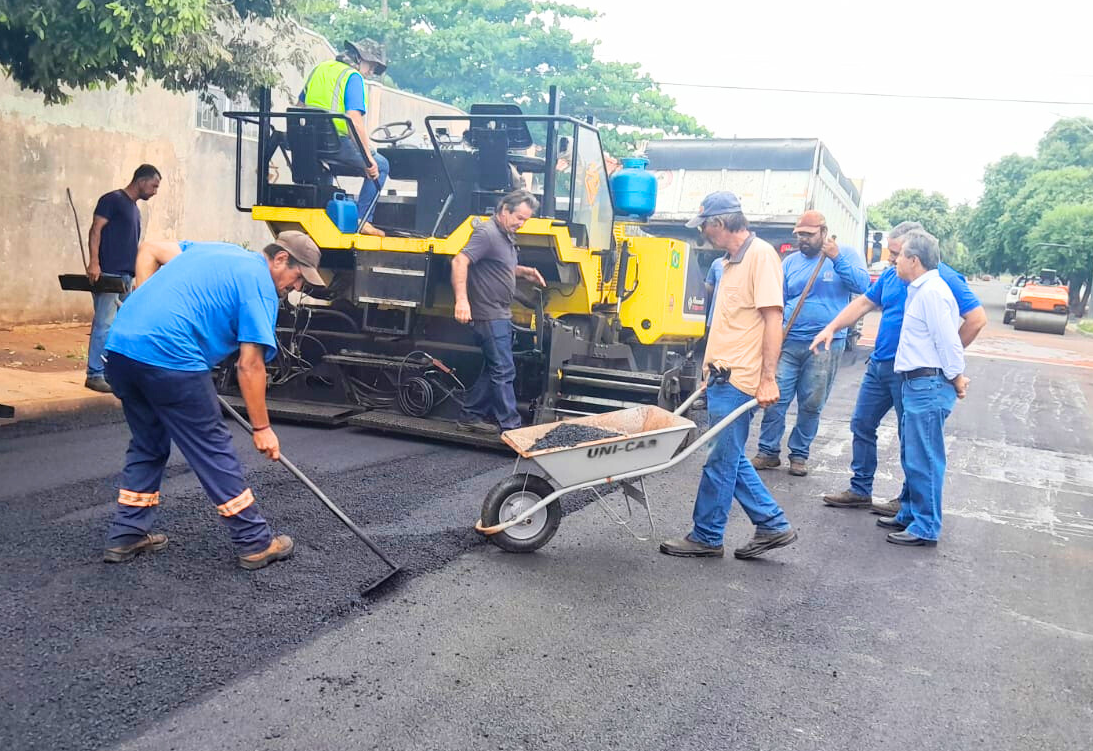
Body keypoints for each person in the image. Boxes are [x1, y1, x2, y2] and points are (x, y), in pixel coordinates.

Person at [101, 231, 326, 570]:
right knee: (211, 446)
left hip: (121, 348)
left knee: (149, 442)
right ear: (281, 259)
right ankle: (254, 542)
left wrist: (143, 299)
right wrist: (262, 427)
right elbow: (249, 366)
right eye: (297, 277)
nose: (296, 287)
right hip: (171, 357)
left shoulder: (219, 252)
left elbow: (149, 248)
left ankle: (127, 533)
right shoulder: (260, 288)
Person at [812, 221, 986, 515]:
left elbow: (977, 319)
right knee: (862, 424)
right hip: (879, 365)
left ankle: (907, 502)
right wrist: (832, 327)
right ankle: (860, 489)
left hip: (912, 373)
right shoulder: (893, 275)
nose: (891, 259)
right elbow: (865, 303)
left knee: (913, 439)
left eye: (896, 253)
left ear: (913, 252)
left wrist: (945, 364)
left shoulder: (941, 279)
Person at [660, 191, 797, 560]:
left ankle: (707, 535)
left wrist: (768, 379)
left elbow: (773, 320)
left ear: (720, 223)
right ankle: (771, 524)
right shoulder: (728, 262)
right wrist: (709, 369)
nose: (703, 233)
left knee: (722, 458)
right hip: (723, 375)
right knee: (728, 457)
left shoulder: (761, 257)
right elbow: (730, 324)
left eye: (705, 226)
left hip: (742, 378)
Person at [752, 210, 869, 476]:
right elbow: (777, 300)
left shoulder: (845, 254)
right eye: (799, 235)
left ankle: (799, 454)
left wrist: (836, 258)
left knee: (811, 402)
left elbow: (862, 287)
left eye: (808, 235)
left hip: (825, 345)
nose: (802, 240)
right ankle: (768, 451)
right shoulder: (790, 262)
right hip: (789, 340)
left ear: (823, 233)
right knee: (774, 398)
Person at [877, 230, 968, 546]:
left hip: (927, 384)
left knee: (925, 458)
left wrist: (956, 376)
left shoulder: (932, 292)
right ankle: (910, 512)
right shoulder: (920, 290)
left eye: (899, 255)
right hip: (915, 383)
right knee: (912, 454)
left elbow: (948, 341)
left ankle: (926, 525)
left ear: (914, 260)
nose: (894, 261)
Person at [451, 189, 546, 434]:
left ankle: (470, 416)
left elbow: (499, 266)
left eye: (526, 220)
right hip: (489, 313)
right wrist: (462, 301)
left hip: (500, 313)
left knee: (495, 367)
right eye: (520, 218)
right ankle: (511, 427)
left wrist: (524, 271)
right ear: (505, 210)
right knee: (504, 369)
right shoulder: (487, 233)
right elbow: (460, 261)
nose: (522, 224)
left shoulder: (503, 236)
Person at [299, 39, 389, 237]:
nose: (370, 73)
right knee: (381, 164)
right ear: (360, 59)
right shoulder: (352, 76)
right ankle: (363, 219)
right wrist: (368, 159)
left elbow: (299, 106)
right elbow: (354, 121)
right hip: (336, 143)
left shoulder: (319, 69)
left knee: (330, 165)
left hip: (310, 143)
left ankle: (325, 211)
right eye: (371, 67)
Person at [84, 164, 161, 392]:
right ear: (141, 181)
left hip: (126, 276)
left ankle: (112, 372)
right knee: (105, 323)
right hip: (107, 273)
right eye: (154, 186)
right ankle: (94, 373)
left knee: (124, 325)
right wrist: (94, 262)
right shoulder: (112, 200)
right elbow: (95, 229)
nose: (155, 191)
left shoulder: (134, 209)